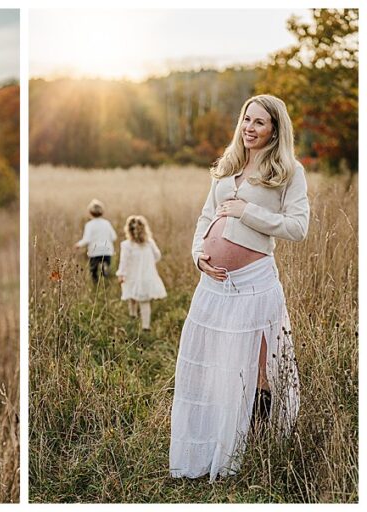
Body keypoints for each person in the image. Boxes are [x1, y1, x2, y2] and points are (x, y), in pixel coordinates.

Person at [169, 94, 309, 481]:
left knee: (260, 371)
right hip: (213, 285)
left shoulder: (289, 171)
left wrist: (249, 212)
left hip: (254, 284)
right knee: (214, 363)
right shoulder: (228, 165)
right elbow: (205, 217)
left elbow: (298, 227)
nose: (250, 127)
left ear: (275, 129)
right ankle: (211, 444)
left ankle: (258, 453)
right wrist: (198, 255)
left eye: (260, 122)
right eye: (247, 119)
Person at [115, 215, 167, 330]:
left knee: (132, 295)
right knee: (144, 302)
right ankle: (145, 326)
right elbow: (157, 255)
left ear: (128, 230)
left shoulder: (126, 245)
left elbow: (124, 261)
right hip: (147, 276)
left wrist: (121, 274)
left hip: (131, 276)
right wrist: (149, 262)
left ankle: (133, 315)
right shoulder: (149, 243)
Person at [75, 199, 116, 284]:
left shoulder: (89, 225)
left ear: (90, 213)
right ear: (102, 212)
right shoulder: (107, 223)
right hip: (107, 251)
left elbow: (87, 239)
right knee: (106, 270)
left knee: (93, 272)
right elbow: (114, 237)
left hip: (94, 252)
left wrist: (78, 244)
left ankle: (95, 284)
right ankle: (105, 273)